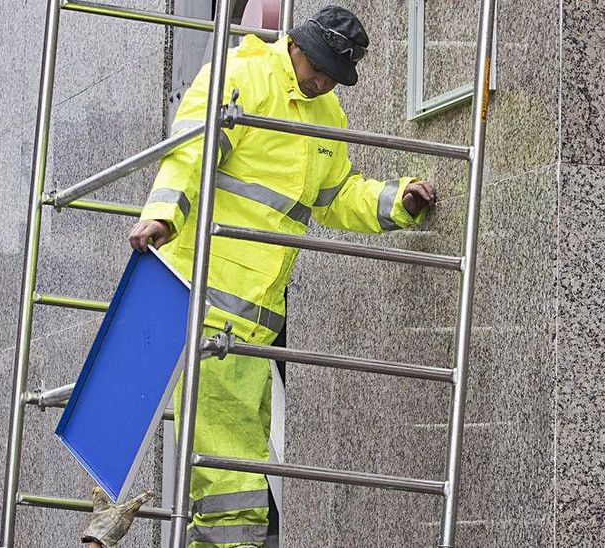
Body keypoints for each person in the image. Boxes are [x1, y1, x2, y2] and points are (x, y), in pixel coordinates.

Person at [81, 5, 437, 547]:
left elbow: (338, 196)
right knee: (228, 478)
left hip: (253, 325)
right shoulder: (242, 76)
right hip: (199, 308)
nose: (320, 82)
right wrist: (162, 212)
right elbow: (191, 152)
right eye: (317, 67)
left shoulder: (327, 117)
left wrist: (398, 201)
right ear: (295, 44)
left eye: (332, 77)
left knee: (234, 475)